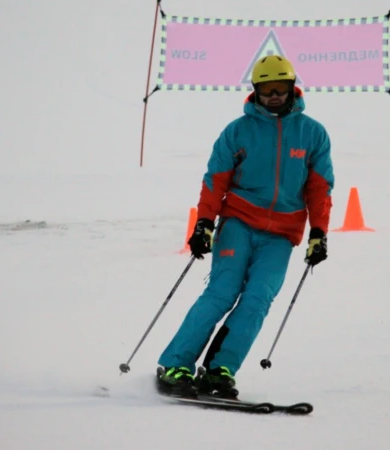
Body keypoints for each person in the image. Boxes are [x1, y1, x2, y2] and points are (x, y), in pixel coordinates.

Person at [155, 54, 335, 399]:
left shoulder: (312, 133)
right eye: (267, 90)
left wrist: (319, 233)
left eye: (280, 88)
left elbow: (320, 187)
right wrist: (205, 223)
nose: (274, 96)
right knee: (222, 292)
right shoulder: (237, 131)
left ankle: (220, 370)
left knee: (258, 299)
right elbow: (215, 181)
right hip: (238, 222)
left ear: (291, 87)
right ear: (256, 91)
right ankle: (175, 364)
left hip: (282, 234)